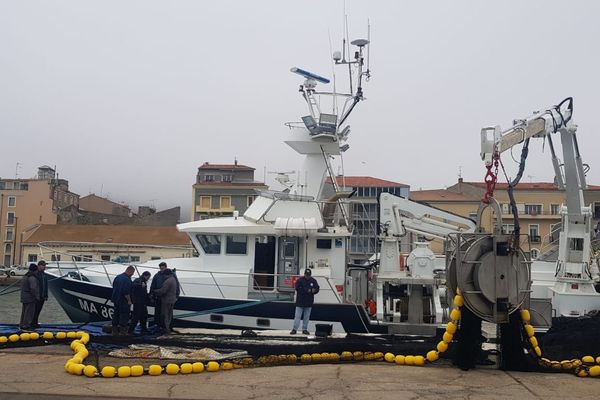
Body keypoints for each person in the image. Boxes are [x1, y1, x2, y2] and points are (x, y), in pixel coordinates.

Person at [149, 262, 180, 329]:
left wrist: (177, 295)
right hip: (159, 297)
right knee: (159, 313)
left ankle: (167, 327)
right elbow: (153, 285)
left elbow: (177, 285)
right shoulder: (157, 275)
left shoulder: (171, 276)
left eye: (163, 268)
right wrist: (151, 294)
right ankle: (160, 326)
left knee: (166, 314)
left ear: (165, 267)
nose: (161, 270)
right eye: (160, 268)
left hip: (166, 297)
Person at [290, 268, 319, 335]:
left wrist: (314, 291)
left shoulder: (313, 281)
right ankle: (294, 329)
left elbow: (317, 288)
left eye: (308, 275)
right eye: (306, 275)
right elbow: (297, 288)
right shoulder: (300, 280)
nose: (307, 276)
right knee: (297, 316)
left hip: (309, 302)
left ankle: (304, 329)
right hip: (300, 302)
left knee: (306, 317)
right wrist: (307, 290)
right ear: (304, 274)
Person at [111, 265, 135, 336]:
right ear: (130, 271)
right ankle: (123, 332)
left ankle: (114, 331)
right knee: (124, 316)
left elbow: (114, 286)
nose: (132, 274)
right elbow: (126, 292)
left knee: (116, 315)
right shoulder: (127, 280)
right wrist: (129, 300)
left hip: (116, 299)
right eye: (132, 273)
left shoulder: (117, 277)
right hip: (123, 301)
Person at [20, 264, 41, 331]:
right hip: (30, 298)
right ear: (35, 270)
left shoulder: (25, 276)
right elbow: (33, 288)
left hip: (24, 297)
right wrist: (37, 297)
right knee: (29, 313)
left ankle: (22, 324)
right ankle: (26, 326)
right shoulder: (32, 278)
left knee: (24, 312)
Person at [32, 260, 48, 329]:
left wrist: (46, 295)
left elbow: (46, 286)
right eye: (43, 265)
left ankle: (35, 323)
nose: (44, 267)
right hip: (37, 296)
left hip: (42, 296)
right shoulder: (35, 274)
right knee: (34, 311)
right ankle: (33, 323)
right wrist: (35, 295)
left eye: (45, 265)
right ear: (39, 266)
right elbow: (34, 286)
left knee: (38, 310)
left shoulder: (44, 275)